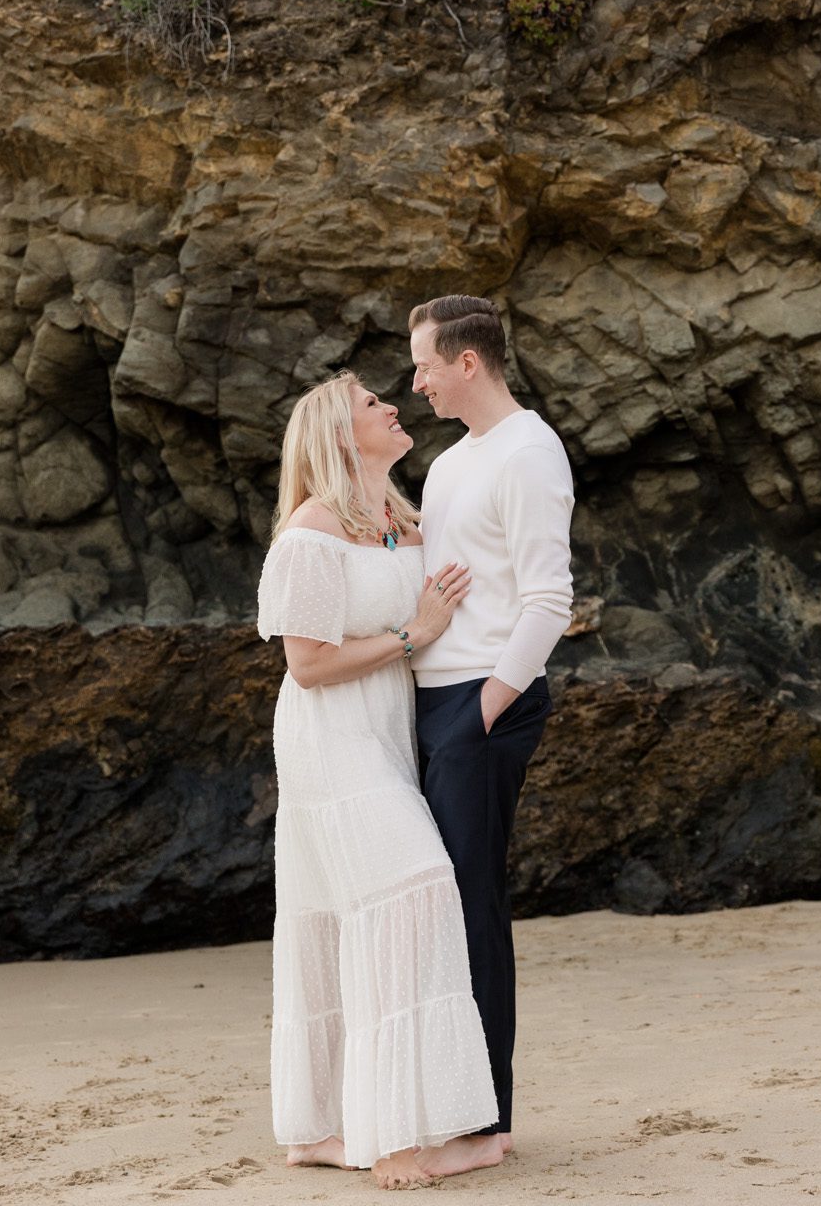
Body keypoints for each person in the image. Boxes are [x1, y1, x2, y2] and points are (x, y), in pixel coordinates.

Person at [256, 369, 499, 1191]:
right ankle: (391, 1134)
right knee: (414, 891)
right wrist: (412, 631)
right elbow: (308, 663)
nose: (392, 406)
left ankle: (318, 1127)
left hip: (392, 733)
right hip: (330, 740)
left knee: (337, 916)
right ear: (335, 434)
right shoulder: (311, 533)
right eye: (370, 403)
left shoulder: (406, 518)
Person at [406, 294, 575, 1180]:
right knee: (434, 907)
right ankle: (450, 1103)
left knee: (473, 907)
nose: (417, 381)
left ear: (467, 362)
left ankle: (486, 1123)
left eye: (425, 364)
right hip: (434, 698)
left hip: (483, 704)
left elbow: (550, 599)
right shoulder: (447, 465)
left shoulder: (528, 451)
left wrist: (483, 712)